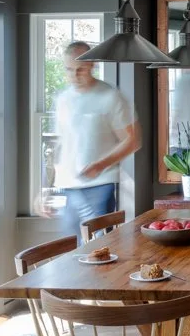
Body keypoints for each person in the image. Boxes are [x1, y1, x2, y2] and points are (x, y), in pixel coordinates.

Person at [43, 41, 141, 239]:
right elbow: (60, 146)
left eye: (80, 70)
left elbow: (133, 140)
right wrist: (45, 188)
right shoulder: (63, 99)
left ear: (92, 65)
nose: (74, 76)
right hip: (69, 188)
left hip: (100, 186)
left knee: (98, 253)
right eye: (69, 70)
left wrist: (100, 164)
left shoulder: (110, 97)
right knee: (70, 255)